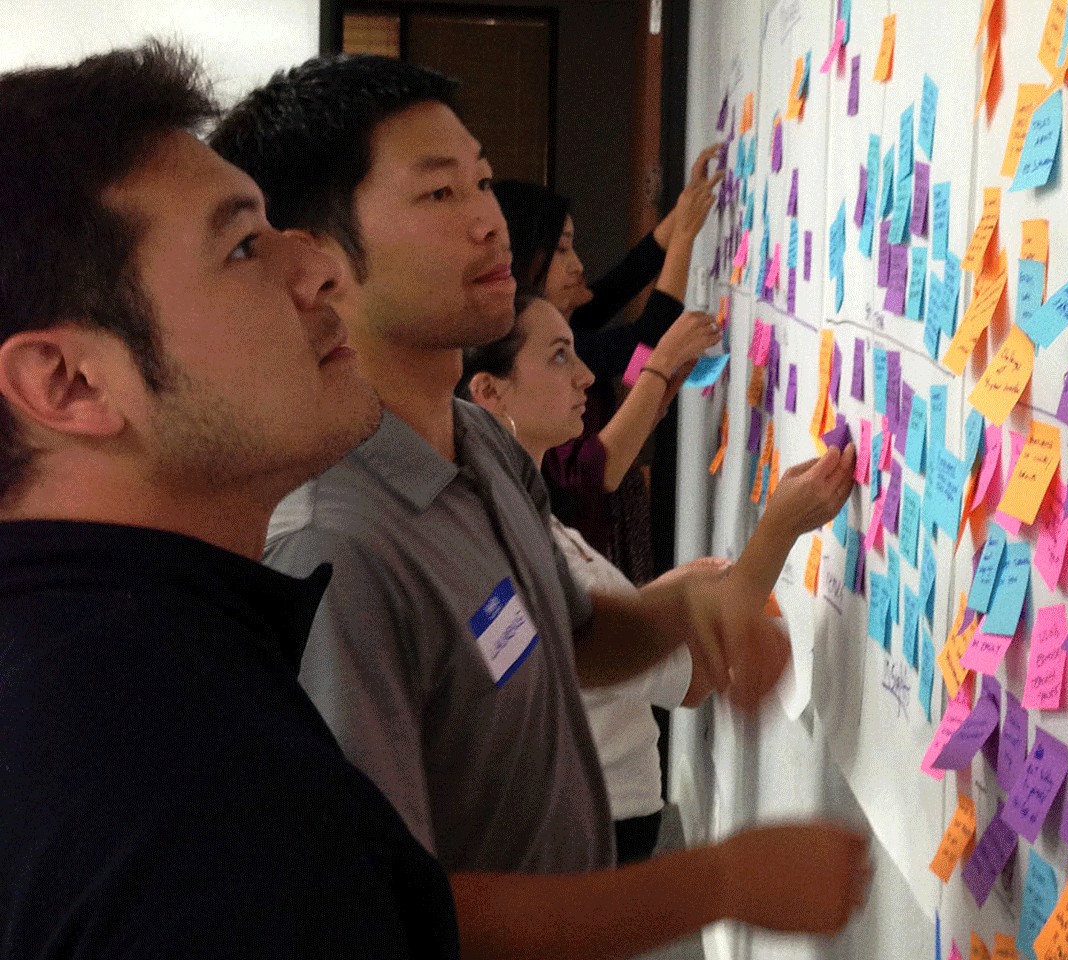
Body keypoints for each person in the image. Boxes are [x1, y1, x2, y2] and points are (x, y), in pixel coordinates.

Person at [212, 53, 869, 960]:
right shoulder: (332, 544)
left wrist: (687, 606)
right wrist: (718, 881)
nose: (489, 221)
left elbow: (573, 643)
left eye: (481, 179)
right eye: (438, 195)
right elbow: (392, 909)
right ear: (318, 261)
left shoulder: (477, 440)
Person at [0, 42, 462, 958]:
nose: (319, 268)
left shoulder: (83, 674)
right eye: (244, 244)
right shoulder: (216, 820)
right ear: (70, 383)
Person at [462, 294, 854, 863]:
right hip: (597, 831)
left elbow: (576, 626)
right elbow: (693, 675)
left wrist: (662, 597)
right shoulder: (512, 532)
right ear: (489, 392)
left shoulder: (517, 507)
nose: (587, 376)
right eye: (557, 358)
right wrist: (782, 524)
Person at [497, 161, 719, 582]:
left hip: (612, 528)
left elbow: (623, 281)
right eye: (561, 248)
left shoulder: (563, 327)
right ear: (524, 260)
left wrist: (680, 216)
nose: (578, 264)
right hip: (593, 547)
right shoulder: (537, 345)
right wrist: (685, 237)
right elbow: (648, 340)